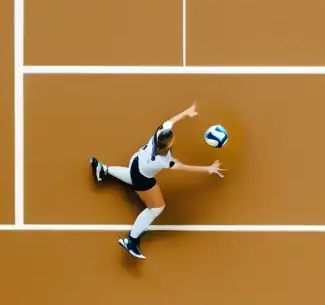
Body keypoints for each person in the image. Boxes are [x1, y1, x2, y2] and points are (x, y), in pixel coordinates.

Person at [90, 102, 225, 259]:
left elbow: (170, 121)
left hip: (136, 161)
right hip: (142, 178)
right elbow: (183, 167)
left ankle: (103, 170)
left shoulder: (159, 132)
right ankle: (131, 240)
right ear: (168, 145)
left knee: (131, 175)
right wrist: (209, 168)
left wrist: (186, 112)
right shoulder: (164, 161)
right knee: (156, 208)